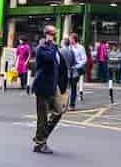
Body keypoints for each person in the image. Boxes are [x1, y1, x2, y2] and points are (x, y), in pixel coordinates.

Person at [31, 25, 69, 154]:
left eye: (55, 34)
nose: (54, 36)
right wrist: (49, 43)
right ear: (46, 34)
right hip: (42, 86)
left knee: (58, 111)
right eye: (52, 34)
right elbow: (49, 59)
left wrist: (63, 85)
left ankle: (40, 136)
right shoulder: (41, 48)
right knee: (42, 117)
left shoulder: (55, 48)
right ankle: (40, 144)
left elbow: (60, 66)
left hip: (53, 86)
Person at [68, 33, 87, 109]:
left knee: (73, 86)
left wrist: (77, 66)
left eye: (70, 38)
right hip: (69, 69)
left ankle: (72, 105)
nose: (69, 40)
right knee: (66, 87)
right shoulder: (69, 47)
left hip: (76, 69)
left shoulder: (81, 48)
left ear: (74, 39)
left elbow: (84, 59)